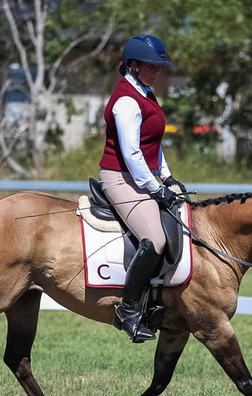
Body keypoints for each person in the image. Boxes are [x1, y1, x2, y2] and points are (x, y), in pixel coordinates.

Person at [99, 34, 187, 343]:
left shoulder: (146, 94)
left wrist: (167, 178)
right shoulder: (126, 100)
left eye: (159, 67)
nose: (156, 71)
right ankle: (128, 309)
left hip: (139, 176)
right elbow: (132, 153)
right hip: (119, 177)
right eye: (151, 66)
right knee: (155, 239)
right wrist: (153, 186)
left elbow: (154, 146)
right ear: (133, 66)